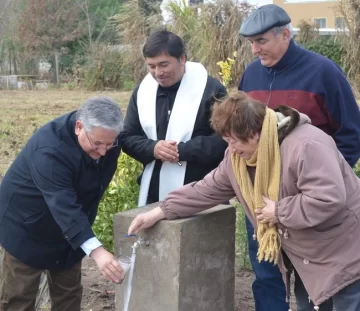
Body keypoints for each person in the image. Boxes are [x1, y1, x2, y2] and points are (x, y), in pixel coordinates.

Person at [128, 91, 360, 311]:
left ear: (255, 133)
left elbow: (327, 198)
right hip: (310, 257)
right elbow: (206, 189)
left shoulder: (306, 145)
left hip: (346, 254)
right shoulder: (239, 160)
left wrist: (279, 211)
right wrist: (161, 211)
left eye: (234, 141)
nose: (231, 149)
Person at [237, 4, 360, 310]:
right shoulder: (250, 75)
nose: (254, 49)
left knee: (318, 281)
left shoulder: (323, 72)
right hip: (261, 203)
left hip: (307, 204)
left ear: (285, 35)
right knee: (266, 276)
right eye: (251, 42)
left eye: (261, 41)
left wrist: (327, 181)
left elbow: (351, 133)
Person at [0, 97, 125, 311]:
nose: (104, 152)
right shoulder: (49, 150)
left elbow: (130, 142)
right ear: (79, 127)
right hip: (27, 226)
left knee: (69, 294)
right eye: (97, 144)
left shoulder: (104, 136)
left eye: (110, 144)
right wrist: (97, 251)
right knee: (18, 297)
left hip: (72, 228)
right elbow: (63, 205)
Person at [119, 30, 228, 206]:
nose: (158, 73)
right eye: (151, 66)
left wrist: (182, 151)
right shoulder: (142, 92)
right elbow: (126, 137)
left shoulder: (211, 90)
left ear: (182, 59)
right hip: (153, 193)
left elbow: (225, 139)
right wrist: (153, 148)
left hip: (202, 189)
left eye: (164, 65)